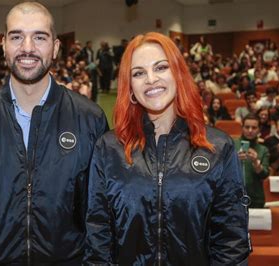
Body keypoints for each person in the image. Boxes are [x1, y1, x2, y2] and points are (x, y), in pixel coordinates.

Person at [0, 2, 108, 265]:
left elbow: (100, 213)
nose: (28, 48)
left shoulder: (90, 120)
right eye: (17, 36)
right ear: (3, 45)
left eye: (40, 37)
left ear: (55, 47)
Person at [84, 32, 249, 265]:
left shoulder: (217, 148)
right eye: (139, 73)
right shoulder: (108, 148)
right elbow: (98, 237)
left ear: (178, 74)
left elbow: (231, 242)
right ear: (130, 87)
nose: (151, 79)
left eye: (161, 67)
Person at [235, 114, 270, 208]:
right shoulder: (232, 145)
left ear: (259, 129)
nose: (250, 130)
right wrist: (234, 160)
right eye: (247, 127)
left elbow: (264, 174)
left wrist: (256, 162)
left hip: (256, 197)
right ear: (242, 128)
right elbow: (221, 170)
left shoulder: (263, 149)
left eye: (254, 127)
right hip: (233, 196)